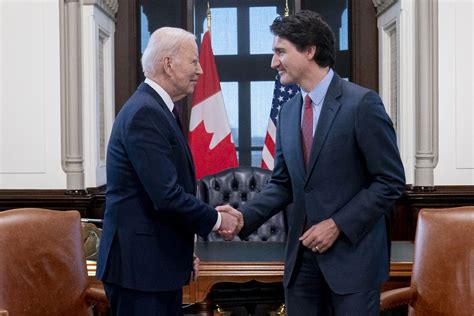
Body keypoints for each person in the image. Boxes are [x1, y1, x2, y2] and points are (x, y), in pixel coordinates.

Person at [217, 11, 405, 315]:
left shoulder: (362, 104)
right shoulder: (289, 111)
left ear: (309, 50)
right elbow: (282, 183)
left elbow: (390, 181)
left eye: (280, 52)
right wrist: (243, 217)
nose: (273, 62)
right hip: (302, 263)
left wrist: (337, 225)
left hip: (353, 263)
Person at [97, 27, 242, 316]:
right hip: (139, 272)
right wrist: (217, 219)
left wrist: (180, 255)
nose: (200, 70)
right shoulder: (145, 112)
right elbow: (165, 195)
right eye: (193, 62)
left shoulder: (157, 108)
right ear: (168, 64)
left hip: (154, 266)